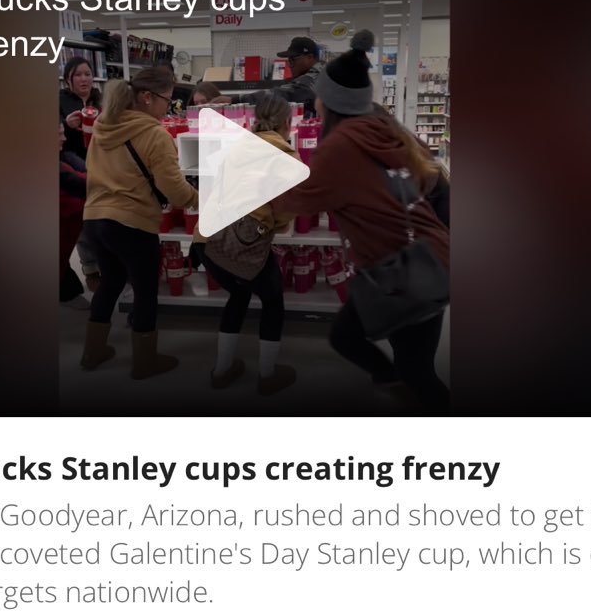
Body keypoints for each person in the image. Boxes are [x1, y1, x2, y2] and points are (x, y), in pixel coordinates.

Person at [272, 48, 450, 408]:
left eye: (319, 96)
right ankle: (398, 389)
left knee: (355, 343)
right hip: (429, 258)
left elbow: (298, 202)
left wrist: (253, 187)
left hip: (397, 271)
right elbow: (434, 182)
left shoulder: (340, 146)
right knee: (412, 362)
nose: (316, 104)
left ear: (331, 102)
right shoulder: (388, 129)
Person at [79, 66, 197, 376]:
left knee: (111, 283)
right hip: (130, 222)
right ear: (146, 97)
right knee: (146, 289)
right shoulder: (154, 133)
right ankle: (145, 361)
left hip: (95, 220)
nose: (167, 108)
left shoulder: (103, 127)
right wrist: (199, 199)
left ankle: (93, 352)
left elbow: (92, 170)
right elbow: (174, 188)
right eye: (166, 100)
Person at [201, 92, 299, 397]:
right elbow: (285, 212)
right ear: (287, 121)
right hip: (245, 243)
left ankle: (221, 370)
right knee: (273, 302)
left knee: (239, 295)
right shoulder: (285, 155)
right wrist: (278, 223)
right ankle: (267, 375)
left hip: (209, 239)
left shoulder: (237, 145)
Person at [58, 122, 88, 302]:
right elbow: (85, 184)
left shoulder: (65, 157)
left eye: (63, 133)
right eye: (59, 134)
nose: (64, 138)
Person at [276, 36, 321, 112]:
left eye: (292, 60)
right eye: (289, 60)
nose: (289, 65)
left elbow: (284, 94)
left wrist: (249, 99)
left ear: (310, 57)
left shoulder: (317, 77)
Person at [60, 56, 98, 143]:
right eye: (78, 75)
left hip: (99, 151)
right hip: (70, 152)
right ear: (68, 79)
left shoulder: (102, 100)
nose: (84, 79)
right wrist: (66, 124)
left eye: (88, 74)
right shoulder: (59, 100)